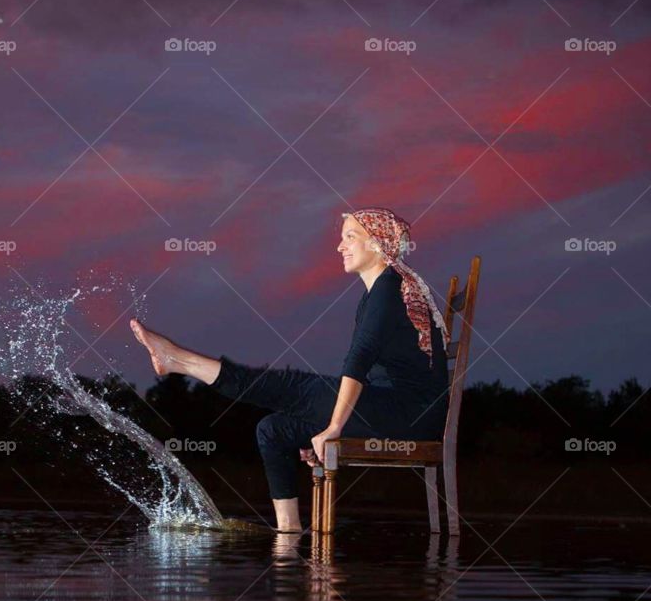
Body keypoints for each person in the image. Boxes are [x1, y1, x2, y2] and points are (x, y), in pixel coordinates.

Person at [130, 207, 450, 532]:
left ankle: (180, 360)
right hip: (387, 408)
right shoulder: (377, 294)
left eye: (350, 237)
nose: (340, 246)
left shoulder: (389, 290)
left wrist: (334, 427)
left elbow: (359, 359)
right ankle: (289, 534)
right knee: (273, 429)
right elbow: (367, 371)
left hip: (409, 417)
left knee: (293, 387)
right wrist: (320, 424)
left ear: (378, 244)